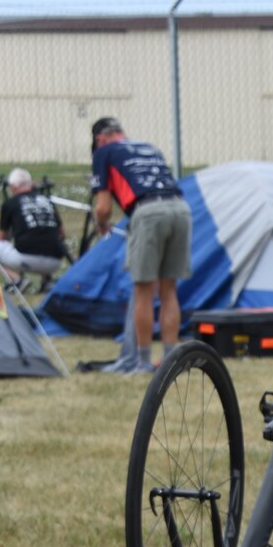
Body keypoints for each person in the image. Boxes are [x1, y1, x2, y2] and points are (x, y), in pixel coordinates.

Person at [90, 118, 190, 374]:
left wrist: (102, 224)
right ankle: (169, 360)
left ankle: (142, 362)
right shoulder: (149, 147)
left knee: (143, 290)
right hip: (180, 209)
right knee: (169, 290)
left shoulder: (104, 152)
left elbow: (103, 207)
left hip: (148, 212)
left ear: (100, 139)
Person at [0, 168, 68, 285]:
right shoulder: (45, 200)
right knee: (43, 237)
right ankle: (46, 280)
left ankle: (17, 280)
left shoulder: (10, 203)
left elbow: (2, 239)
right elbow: (62, 234)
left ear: (13, 186)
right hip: (56, 262)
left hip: (28, 260)